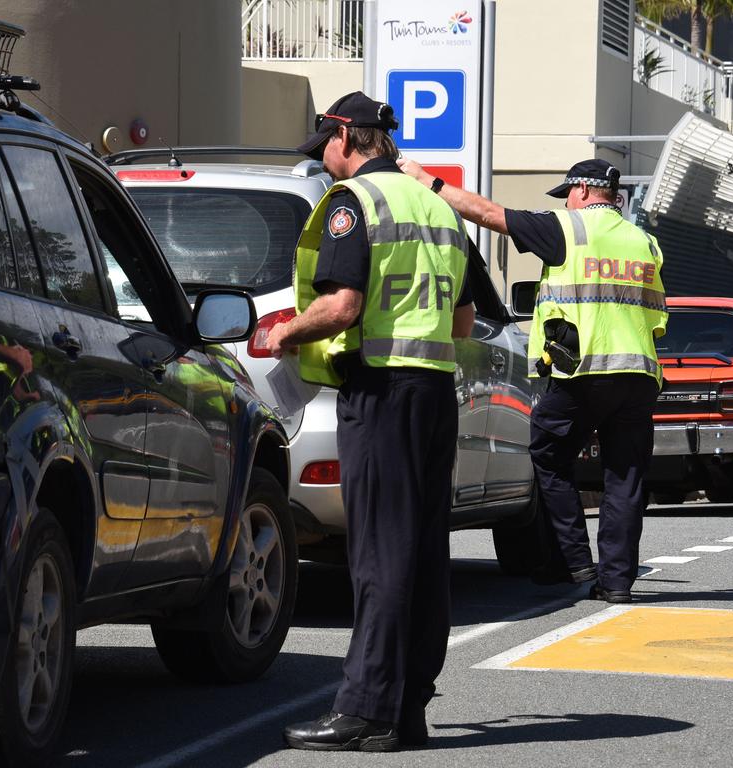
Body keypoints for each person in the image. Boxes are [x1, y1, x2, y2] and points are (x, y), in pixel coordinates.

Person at [266, 91, 475, 752]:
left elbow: (344, 305)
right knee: (421, 551)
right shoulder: (439, 205)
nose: (324, 164)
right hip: (435, 390)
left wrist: (284, 333)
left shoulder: (356, 204)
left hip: (381, 390)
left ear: (346, 139)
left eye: (324, 149)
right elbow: (465, 322)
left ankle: (361, 709)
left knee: (380, 556)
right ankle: (407, 709)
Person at [399, 157, 667, 604]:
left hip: (583, 372)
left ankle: (573, 559)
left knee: (546, 451)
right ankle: (617, 582)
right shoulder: (646, 243)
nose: (567, 203)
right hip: (638, 374)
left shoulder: (568, 228)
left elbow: (487, 213)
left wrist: (426, 181)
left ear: (581, 192)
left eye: (568, 196)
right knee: (625, 476)